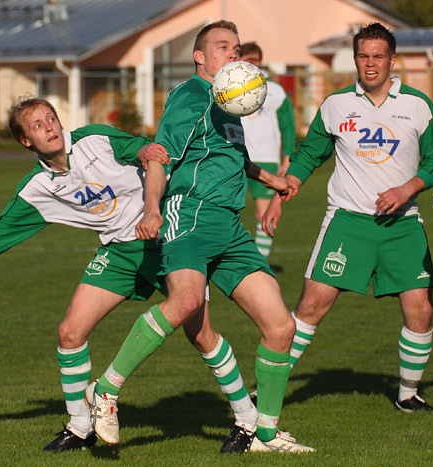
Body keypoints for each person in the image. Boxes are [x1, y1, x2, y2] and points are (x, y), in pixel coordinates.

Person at [0, 97, 258, 453]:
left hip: (168, 238)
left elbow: (142, 150)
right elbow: (3, 227)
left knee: (201, 333)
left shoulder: (93, 140)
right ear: (26, 141)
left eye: (51, 118)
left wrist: (147, 150)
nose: (50, 127)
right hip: (119, 251)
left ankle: (247, 420)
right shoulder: (39, 187)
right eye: (38, 126)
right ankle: (79, 427)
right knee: (70, 332)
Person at [86, 20, 314, 454]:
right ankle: (107, 389)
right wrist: (153, 208)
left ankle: (264, 433)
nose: (233, 53)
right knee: (186, 303)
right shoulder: (190, 97)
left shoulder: (231, 102)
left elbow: (235, 160)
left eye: (237, 47)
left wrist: (274, 180)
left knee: (280, 326)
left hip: (229, 225)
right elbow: (160, 157)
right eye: (222, 47)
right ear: (200, 56)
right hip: (188, 213)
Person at [263, 23, 433, 412]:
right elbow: (311, 152)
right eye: (363, 56)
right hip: (347, 222)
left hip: (402, 225)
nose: (370, 64)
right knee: (312, 305)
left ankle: (408, 394)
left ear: (392, 60)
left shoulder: (418, 105)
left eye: (378, 56)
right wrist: (287, 187)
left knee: (421, 308)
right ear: (355, 59)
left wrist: (407, 188)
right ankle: (267, 392)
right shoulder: (335, 104)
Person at [239, 42, 296, 261]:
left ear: (261, 61)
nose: (250, 63)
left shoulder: (275, 90)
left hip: (267, 160)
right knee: (227, 210)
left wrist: (288, 156)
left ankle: (258, 262)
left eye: (254, 60)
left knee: (263, 212)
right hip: (237, 158)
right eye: (246, 59)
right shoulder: (232, 86)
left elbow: (288, 126)